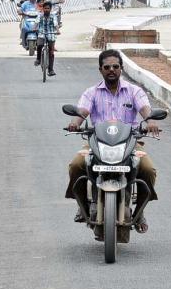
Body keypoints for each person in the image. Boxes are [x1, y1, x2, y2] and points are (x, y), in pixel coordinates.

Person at [65, 49, 160, 233]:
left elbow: (146, 109)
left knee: (148, 170)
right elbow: (82, 112)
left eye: (115, 66)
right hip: (96, 144)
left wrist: (151, 122)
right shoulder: (91, 93)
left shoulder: (134, 91)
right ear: (100, 69)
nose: (111, 70)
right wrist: (74, 123)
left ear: (121, 69)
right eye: (107, 67)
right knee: (76, 165)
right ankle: (82, 206)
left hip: (130, 144)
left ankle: (139, 212)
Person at [34, 1, 59, 76]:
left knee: (51, 52)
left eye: (48, 8)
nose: (46, 10)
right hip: (42, 33)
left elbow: (55, 24)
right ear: (43, 9)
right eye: (45, 8)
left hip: (51, 33)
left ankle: (51, 70)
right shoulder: (40, 15)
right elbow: (36, 23)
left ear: (50, 9)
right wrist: (35, 28)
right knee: (39, 45)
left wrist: (57, 30)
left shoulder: (53, 16)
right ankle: (38, 59)